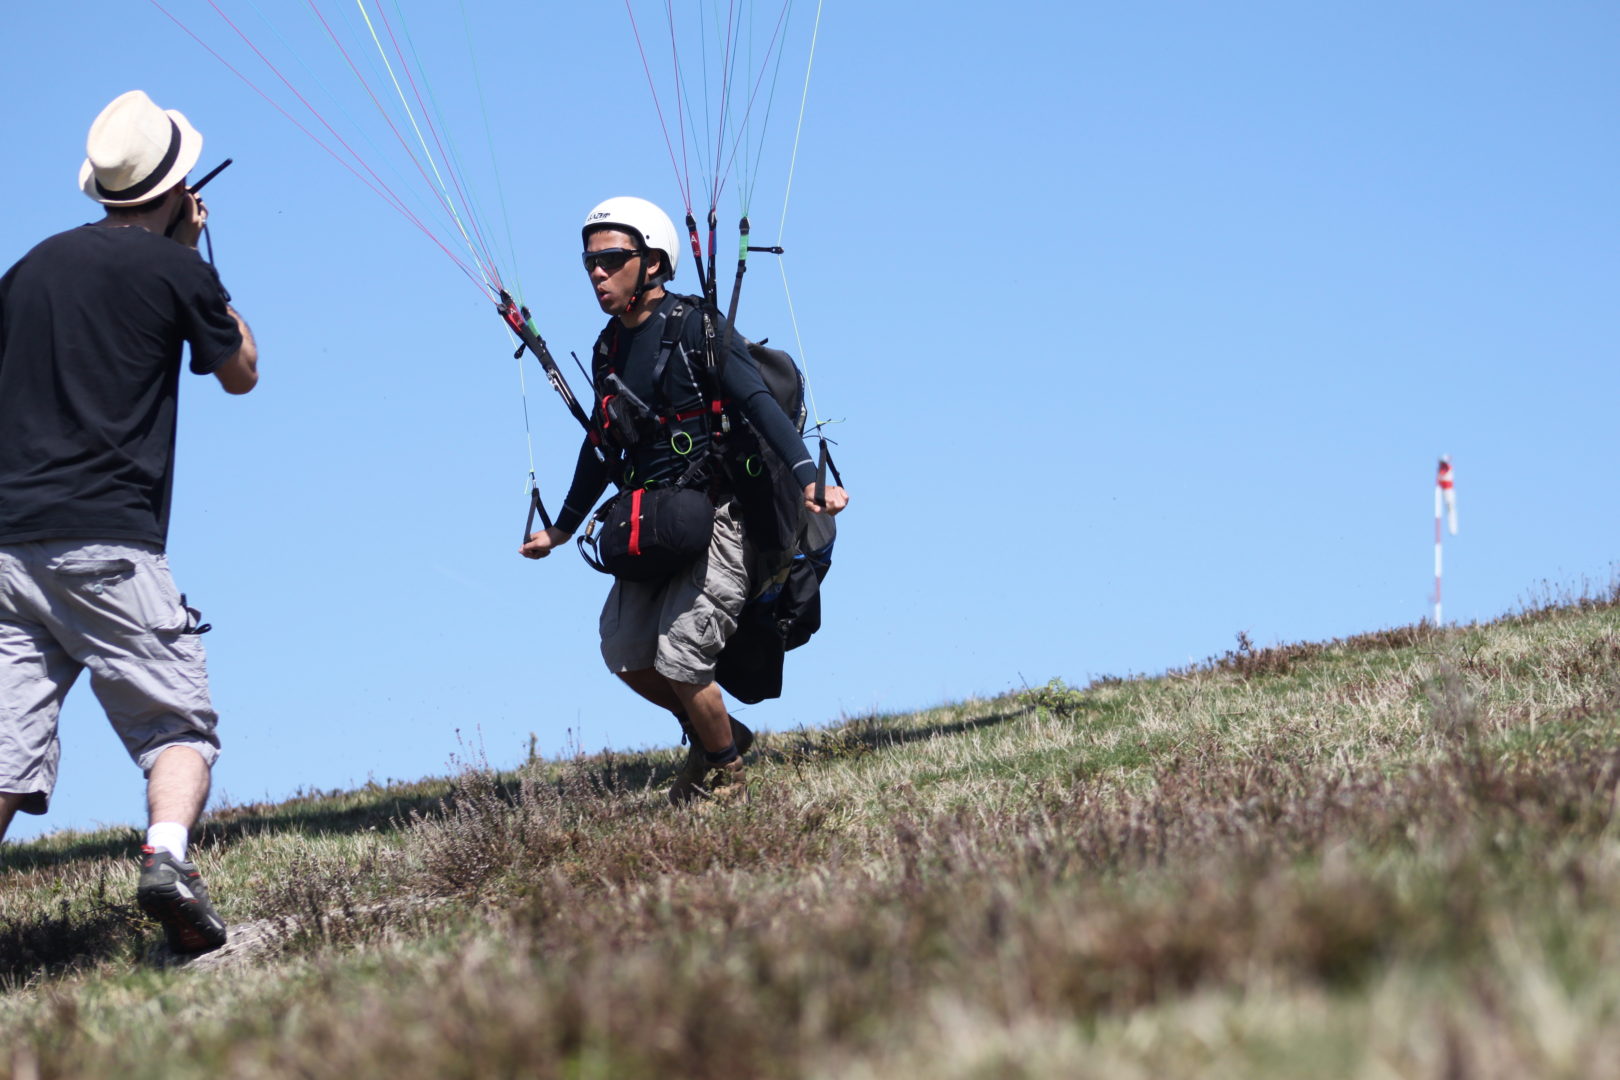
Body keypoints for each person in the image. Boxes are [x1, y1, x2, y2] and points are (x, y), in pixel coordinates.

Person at [0, 91, 259, 953]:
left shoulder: (29, 268)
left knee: (6, 749)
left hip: (8, 546)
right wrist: (194, 255)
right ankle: (168, 858)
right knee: (177, 725)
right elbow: (242, 371)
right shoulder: (175, 267)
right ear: (182, 186)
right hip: (108, 541)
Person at [519, 197, 847, 804]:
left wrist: (809, 477)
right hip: (651, 516)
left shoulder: (699, 328)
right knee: (626, 654)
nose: (596, 272)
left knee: (683, 657)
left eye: (611, 259)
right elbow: (600, 443)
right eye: (589, 261)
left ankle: (729, 777)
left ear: (653, 261)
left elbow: (759, 405)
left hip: (721, 515)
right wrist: (560, 529)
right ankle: (719, 738)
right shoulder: (607, 348)